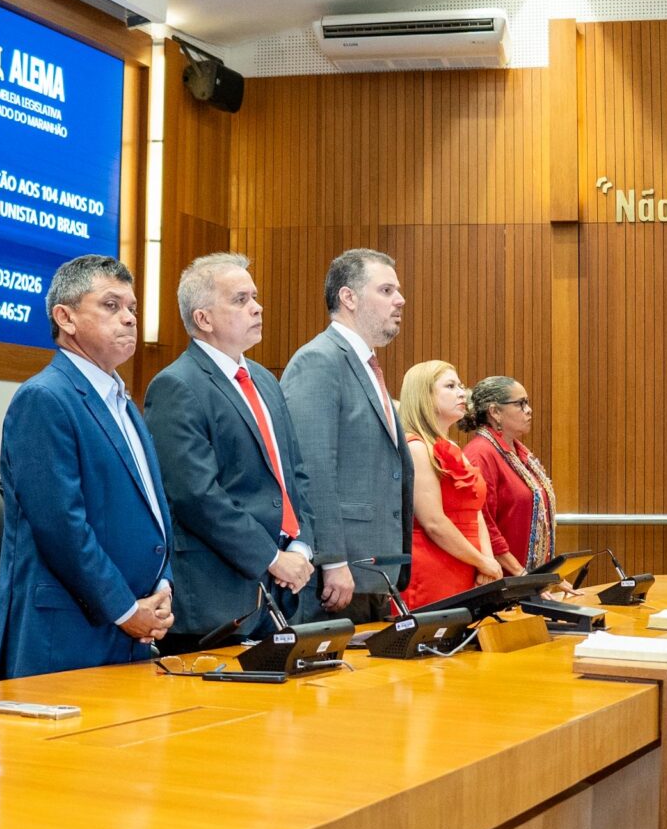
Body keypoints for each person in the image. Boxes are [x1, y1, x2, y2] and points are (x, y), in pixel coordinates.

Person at [0, 256, 172, 679]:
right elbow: (62, 527)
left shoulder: (125, 405)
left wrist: (162, 587)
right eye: (111, 306)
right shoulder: (45, 398)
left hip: (135, 629)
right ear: (65, 318)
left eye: (132, 309)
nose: (128, 319)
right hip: (69, 634)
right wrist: (125, 609)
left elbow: (156, 515)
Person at [144, 252, 316, 645]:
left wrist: (303, 547)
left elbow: (295, 474)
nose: (257, 308)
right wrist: (272, 559)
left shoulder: (263, 380)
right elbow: (196, 495)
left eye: (254, 297)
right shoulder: (177, 385)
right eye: (240, 300)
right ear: (203, 319)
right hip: (219, 597)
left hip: (285, 587)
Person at [281, 248, 412, 620]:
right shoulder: (319, 360)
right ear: (348, 297)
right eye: (386, 291)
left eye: (398, 291)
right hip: (339, 574)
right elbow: (313, 468)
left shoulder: (365, 364)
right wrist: (333, 558)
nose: (400, 300)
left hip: (374, 570)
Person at [400, 360, 501, 609]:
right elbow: (433, 522)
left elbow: (476, 513)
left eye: (461, 385)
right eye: (450, 385)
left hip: (469, 562)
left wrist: (487, 561)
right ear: (424, 396)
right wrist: (481, 560)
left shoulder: (454, 447)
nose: (462, 392)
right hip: (434, 566)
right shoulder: (416, 447)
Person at [460, 375, 559, 576]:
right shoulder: (480, 454)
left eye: (527, 403)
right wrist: (520, 574)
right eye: (520, 404)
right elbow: (485, 525)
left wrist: (546, 576)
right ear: (495, 411)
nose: (529, 410)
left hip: (524, 579)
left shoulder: (518, 452)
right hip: (502, 581)